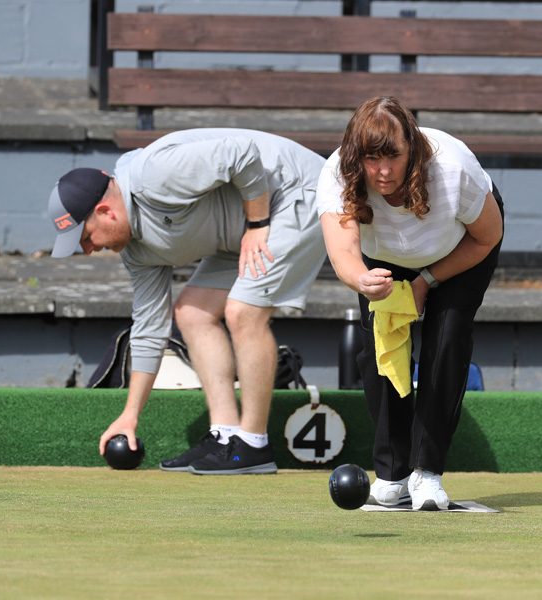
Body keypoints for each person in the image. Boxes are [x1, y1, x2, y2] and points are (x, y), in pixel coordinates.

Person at [47, 128, 327, 475]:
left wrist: (257, 223)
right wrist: (130, 415)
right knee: (191, 313)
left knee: (243, 312)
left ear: (106, 211)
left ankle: (253, 444)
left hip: (295, 194)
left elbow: (242, 153)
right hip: (242, 230)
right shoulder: (136, 251)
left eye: (86, 238)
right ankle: (226, 435)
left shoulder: (154, 175)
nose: (88, 249)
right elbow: (149, 329)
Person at [316, 97, 504, 510]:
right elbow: (342, 253)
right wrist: (362, 280)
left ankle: (428, 473)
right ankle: (394, 472)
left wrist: (427, 281)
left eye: (393, 157)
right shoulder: (336, 174)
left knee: (448, 336)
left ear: (412, 149)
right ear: (355, 156)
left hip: (461, 248)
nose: (383, 172)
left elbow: (487, 238)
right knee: (381, 347)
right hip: (383, 257)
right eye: (371, 159)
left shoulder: (452, 169)